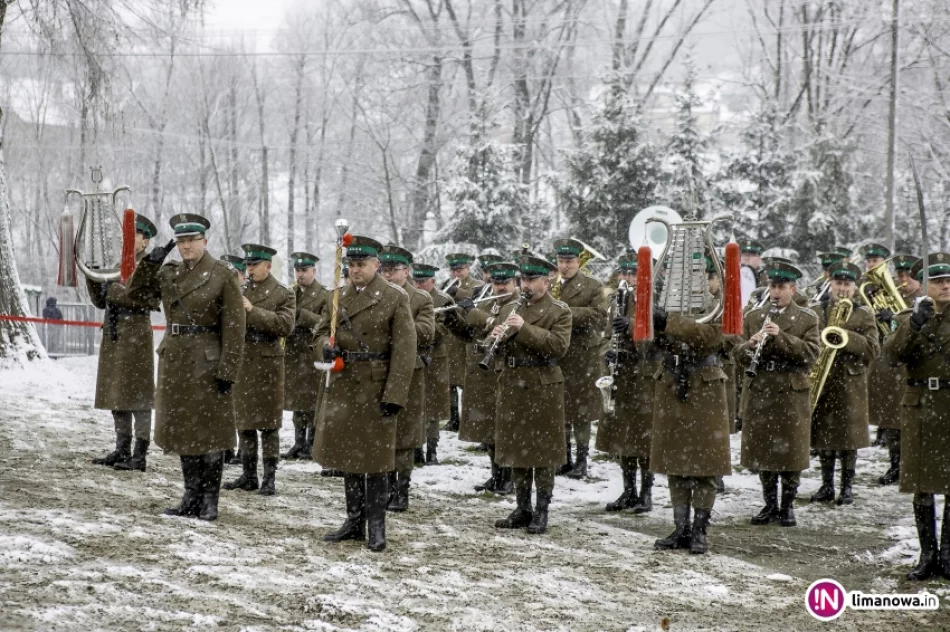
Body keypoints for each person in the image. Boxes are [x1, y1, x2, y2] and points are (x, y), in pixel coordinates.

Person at [125, 213, 245, 521]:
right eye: (181, 241)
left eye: (192, 240)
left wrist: (229, 370)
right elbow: (136, 296)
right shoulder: (169, 273)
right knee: (183, 431)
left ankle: (209, 500)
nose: (186, 246)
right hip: (177, 359)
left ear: (205, 241)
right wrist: (150, 263)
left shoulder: (222, 274)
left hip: (208, 360)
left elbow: (234, 326)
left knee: (211, 433)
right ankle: (190, 496)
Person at [314, 236, 416, 552]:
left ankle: (376, 526)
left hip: (376, 387)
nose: (356, 270)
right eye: (352, 264)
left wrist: (395, 395)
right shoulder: (337, 297)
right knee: (348, 457)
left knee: (376, 460)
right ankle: (353, 521)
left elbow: (405, 350)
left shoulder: (394, 298)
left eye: (362, 264)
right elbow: (318, 333)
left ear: (376, 265)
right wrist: (324, 348)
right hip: (344, 384)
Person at [650, 276, 731, 555]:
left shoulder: (720, 306)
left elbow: (710, 337)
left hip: (704, 385)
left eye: (701, 278)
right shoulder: (671, 304)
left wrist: (667, 322)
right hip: (673, 382)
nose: (695, 285)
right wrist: (648, 323)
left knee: (705, 465)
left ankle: (699, 530)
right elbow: (655, 346)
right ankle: (680, 527)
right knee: (675, 462)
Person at [491, 255, 572, 534]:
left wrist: (523, 329)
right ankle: (522, 507)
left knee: (543, 452)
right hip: (514, 384)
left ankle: (542, 510)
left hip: (542, 386)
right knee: (517, 448)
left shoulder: (559, 311)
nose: (525, 285)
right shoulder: (511, 307)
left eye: (531, 280)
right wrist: (496, 339)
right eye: (523, 279)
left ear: (545, 281)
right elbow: (497, 351)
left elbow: (558, 346)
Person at [736, 261, 820, 527]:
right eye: (772, 286)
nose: (775, 292)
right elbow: (737, 355)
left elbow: (811, 355)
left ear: (793, 289)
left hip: (791, 391)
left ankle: (787, 506)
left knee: (791, 450)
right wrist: (750, 344)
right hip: (762, 390)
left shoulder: (808, 318)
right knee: (764, 450)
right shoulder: (753, 316)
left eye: (781, 287)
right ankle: (769, 504)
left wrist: (781, 336)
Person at [884, 252, 950, 581]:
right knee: (922, 486)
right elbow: (892, 356)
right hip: (921, 405)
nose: (945, 285)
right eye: (938, 281)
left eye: (949, 280)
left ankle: (948, 555)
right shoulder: (909, 316)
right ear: (926, 285)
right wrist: (913, 324)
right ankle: (927, 555)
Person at [88, 214, 161, 472]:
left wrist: (115, 292)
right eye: (126, 236)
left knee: (139, 395)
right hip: (114, 332)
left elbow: (148, 299)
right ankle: (121, 447)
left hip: (136, 334)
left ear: (146, 240)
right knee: (116, 391)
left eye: (134, 236)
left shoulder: (152, 265)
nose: (128, 241)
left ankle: (139, 454)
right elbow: (101, 301)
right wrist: (93, 277)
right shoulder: (118, 265)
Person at [224, 244, 295, 496]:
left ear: (268, 265)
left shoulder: (283, 293)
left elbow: (286, 325)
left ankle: (270, 477)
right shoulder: (239, 290)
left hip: (268, 365)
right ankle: (248, 474)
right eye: (247, 265)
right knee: (244, 421)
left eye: (254, 265)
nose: (250, 269)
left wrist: (253, 311)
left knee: (268, 424)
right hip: (243, 362)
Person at [447, 261, 521, 495]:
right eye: (496, 283)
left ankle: (509, 478)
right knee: (489, 429)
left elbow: (499, 328)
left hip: (505, 373)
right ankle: (496, 475)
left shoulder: (518, 305)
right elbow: (470, 334)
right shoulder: (488, 302)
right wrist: (452, 317)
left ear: (514, 283)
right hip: (482, 373)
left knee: (505, 429)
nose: (499, 287)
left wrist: (473, 312)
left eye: (505, 283)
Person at [810, 260, 879, 506]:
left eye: (847, 284)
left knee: (849, 439)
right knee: (823, 436)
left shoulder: (864, 312)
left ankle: (847, 487)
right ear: (830, 284)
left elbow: (873, 348)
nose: (842, 288)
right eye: (838, 283)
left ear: (854, 287)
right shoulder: (818, 310)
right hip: (824, 380)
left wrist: (846, 337)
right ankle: (827, 485)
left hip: (850, 382)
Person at [595, 253, 658, 512]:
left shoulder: (655, 301)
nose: (628, 278)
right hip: (620, 375)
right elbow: (605, 337)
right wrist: (607, 351)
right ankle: (629, 490)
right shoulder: (616, 300)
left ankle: (646, 493)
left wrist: (632, 326)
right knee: (623, 437)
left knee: (644, 439)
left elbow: (654, 341)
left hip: (644, 377)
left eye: (634, 274)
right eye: (625, 273)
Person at [378, 244, 434, 512]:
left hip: (410, 373)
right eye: (384, 270)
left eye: (394, 270)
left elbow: (425, 333)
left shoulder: (421, 299)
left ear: (407, 271)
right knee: (382, 430)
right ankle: (384, 485)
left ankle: (401, 490)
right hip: (379, 371)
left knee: (404, 435)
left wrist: (398, 323)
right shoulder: (376, 295)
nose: (388, 275)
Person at [551, 238, 609, 479]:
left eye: (570, 261)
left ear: (579, 262)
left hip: (583, 356)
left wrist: (563, 312)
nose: (565, 266)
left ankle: (582, 461)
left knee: (581, 412)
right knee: (561, 409)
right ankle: (563, 459)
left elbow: (599, 317)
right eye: (562, 261)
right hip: (558, 354)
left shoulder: (593, 286)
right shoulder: (551, 284)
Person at [871, 255, 925, 485]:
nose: (903, 280)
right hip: (892, 368)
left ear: (919, 281)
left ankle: (912, 465)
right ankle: (895, 466)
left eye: (907, 276)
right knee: (893, 423)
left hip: (913, 370)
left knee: (911, 423)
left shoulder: (922, 302)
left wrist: (893, 318)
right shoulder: (889, 299)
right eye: (899, 275)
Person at [282, 252, 330, 461]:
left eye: (304, 271)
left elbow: (326, 323)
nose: (300, 275)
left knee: (311, 404)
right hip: (293, 354)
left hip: (311, 354)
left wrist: (303, 316)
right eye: (298, 270)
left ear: (314, 271)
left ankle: (311, 443)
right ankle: (299, 442)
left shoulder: (324, 295)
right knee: (296, 405)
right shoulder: (291, 293)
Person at [412, 263, 452, 464]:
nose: (418, 285)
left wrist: (418, 327)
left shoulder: (443, 301)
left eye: (423, 281)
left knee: (433, 407)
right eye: (416, 281)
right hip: (413, 356)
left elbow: (440, 331)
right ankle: (416, 447)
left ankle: (433, 448)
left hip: (435, 358)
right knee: (415, 404)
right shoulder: (409, 298)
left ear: (432, 281)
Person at [442, 253, 484, 432]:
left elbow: (475, 303)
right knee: (450, 381)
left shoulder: (477, 285)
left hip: (466, 338)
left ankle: (470, 419)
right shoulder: (446, 284)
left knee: (468, 382)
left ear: (468, 268)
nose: (456, 273)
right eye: (454, 270)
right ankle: (454, 418)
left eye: (460, 269)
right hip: (451, 338)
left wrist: (457, 293)